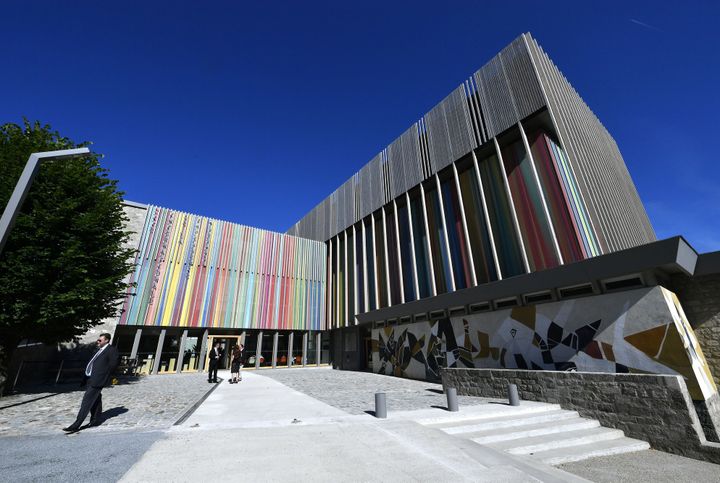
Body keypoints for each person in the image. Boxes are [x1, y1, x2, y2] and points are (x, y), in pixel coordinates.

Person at [63, 333, 119, 432]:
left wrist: (103, 377)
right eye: (98, 340)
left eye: (100, 340)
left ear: (107, 340)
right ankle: (95, 420)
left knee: (86, 401)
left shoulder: (111, 350)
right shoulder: (99, 350)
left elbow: (113, 365)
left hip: (97, 380)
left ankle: (76, 424)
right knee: (96, 399)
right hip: (90, 378)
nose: (98, 342)